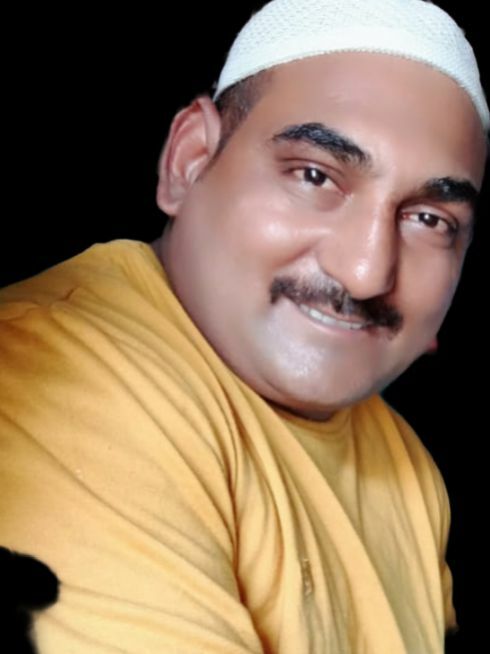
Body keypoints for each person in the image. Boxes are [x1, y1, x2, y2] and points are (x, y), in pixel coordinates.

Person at [0, 0, 487, 652]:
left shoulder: (407, 468)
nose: (367, 272)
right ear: (190, 160)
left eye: (429, 220)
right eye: (314, 176)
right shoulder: (51, 377)